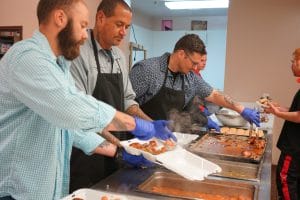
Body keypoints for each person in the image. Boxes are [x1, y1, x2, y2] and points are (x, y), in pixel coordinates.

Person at [0, 0, 173, 199]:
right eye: (82, 25)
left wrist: (118, 152)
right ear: (60, 18)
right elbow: (72, 107)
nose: (84, 34)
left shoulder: (59, 66)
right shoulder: (27, 58)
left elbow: (69, 129)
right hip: (16, 192)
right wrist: (137, 125)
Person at [69, 0, 158, 192]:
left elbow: (128, 101)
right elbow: (84, 115)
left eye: (127, 27)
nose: (124, 32)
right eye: (119, 25)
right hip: (87, 154)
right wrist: (120, 150)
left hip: (114, 152)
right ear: (101, 18)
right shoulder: (78, 54)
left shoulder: (118, 56)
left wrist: (151, 124)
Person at [129, 34, 260, 130]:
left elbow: (214, 95)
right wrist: (151, 125)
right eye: (193, 63)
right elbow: (125, 104)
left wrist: (240, 109)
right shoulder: (147, 70)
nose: (195, 68)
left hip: (167, 138)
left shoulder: (190, 78)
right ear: (181, 54)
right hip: (138, 138)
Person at [264, 48, 300, 200]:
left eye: (294, 62)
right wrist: (278, 108)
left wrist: (278, 113)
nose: (291, 65)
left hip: (294, 146)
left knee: (285, 179)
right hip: (294, 145)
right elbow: (296, 110)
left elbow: (299, 116)